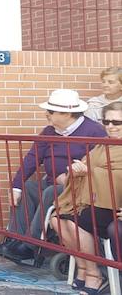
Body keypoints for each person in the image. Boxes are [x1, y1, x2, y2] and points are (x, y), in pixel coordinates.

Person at [0, 89, 106, 262]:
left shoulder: (94, 132)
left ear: (67, 113)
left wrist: (71, 174)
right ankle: (15, 240)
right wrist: (16, 186)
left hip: (80, 188)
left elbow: (100, 164)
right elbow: (32, 159)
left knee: (50, 191)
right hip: (53, 182)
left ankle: (30, 246)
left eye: (51, 111)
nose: (46, 114)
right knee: (27, 188)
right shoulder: (49, 131)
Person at [50, 101, 122, 295]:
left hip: (113, 204)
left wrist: (89, 172)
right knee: (56, 219)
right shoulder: (103, 144)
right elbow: (86, 163)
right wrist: (77, 169)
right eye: (106, 121)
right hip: (95, 199)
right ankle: (84, 268)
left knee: (74, 222)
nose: (111, 126)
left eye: (117, 122)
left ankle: (94, 274)